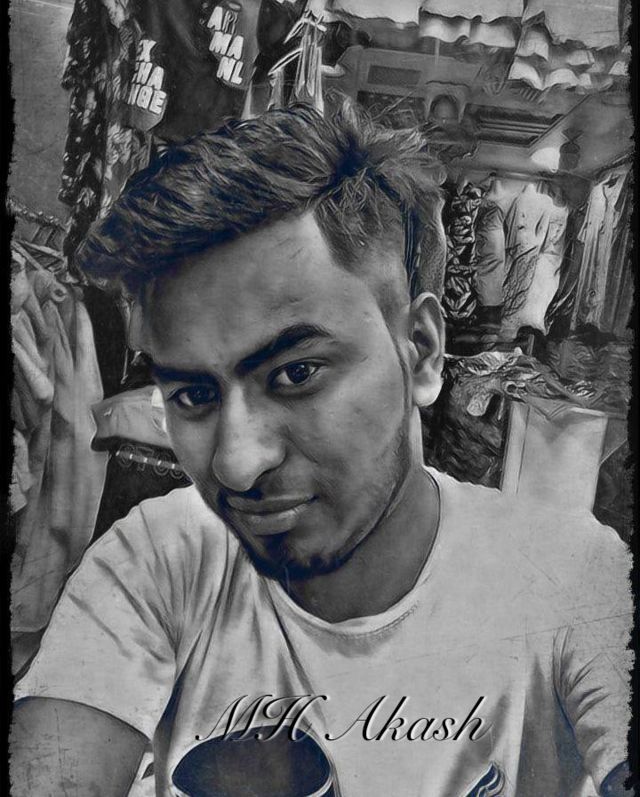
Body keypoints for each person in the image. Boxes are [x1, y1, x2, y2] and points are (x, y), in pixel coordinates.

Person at [11, 103, 632, 796]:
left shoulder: (567, 578)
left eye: (297, 373)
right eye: (193, 395)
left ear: (421, 351)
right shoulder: (158, 559)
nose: (236, 464)